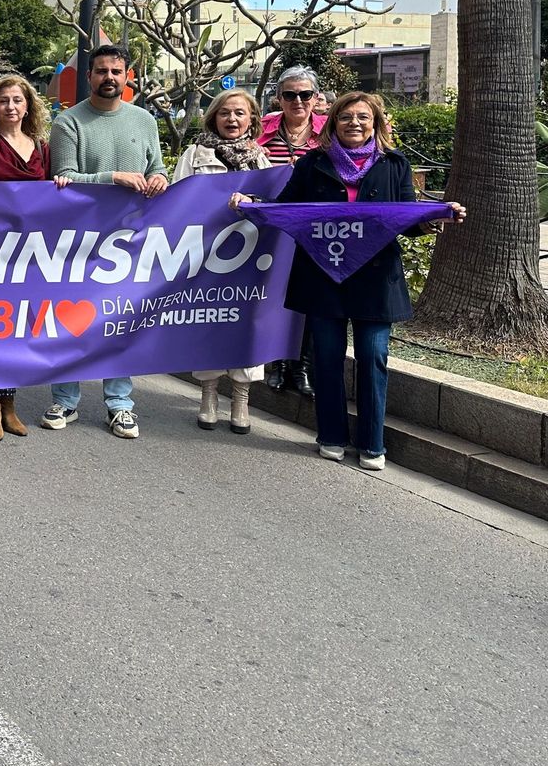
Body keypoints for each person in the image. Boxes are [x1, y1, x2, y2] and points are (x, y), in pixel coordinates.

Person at [232, 93, 465, 471]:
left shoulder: (395, 164)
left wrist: (437, 216)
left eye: (363, 117)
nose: (354, 124)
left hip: (376, 280)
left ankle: (373, 443)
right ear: (333, 123)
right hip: (323, 277)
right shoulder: (312, 164)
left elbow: (407, 219)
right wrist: (250, 203)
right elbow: (286, 208)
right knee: (326, 358)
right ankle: (332, 436)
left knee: (374, 358)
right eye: (345, 118)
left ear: (376, 123)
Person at [45, 44, 167, 440]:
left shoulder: (145, 120)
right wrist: (111, 177)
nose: (109, 78)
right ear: (90, 76)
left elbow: (156, 167)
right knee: (72, 319)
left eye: (116, 71)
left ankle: (120, 405)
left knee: (119, 322)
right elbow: (62, 179)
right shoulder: (68, 122)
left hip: (129, 242)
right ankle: (65, 399)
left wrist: (160, 180)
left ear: (127, 75)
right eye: (101, 71)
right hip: (77, 243)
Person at [0, 73, 60, 441]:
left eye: (18, 100)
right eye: (4, 101)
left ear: (28, 105)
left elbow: (50, 195)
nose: (11, 107)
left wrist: (60, 186)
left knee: (17, 330)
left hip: (28, 254)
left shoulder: (40, 145)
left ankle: (10, 404)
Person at [172, 89, 270, 434]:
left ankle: (241, 398)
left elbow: (273, 204)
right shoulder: (195, 154)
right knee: (210, 319)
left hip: (249, 255)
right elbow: (178, 201)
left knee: (247, 323)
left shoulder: (262, 159)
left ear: (252, 119)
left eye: (240, 113)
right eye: (225, 113)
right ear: (213, 116)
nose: (232, 119)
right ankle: (208, 394)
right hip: (207, 254)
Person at [255, 64, 327, 396]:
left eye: (305, 94)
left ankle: (303, 368)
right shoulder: (261, 129)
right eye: (290, 95)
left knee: (311, 299)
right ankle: (278, 363)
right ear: (278, 99)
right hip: (271, 228)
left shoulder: (330, 132)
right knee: (274, 296)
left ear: (316, 98)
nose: (298, 101)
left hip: (315, 230)